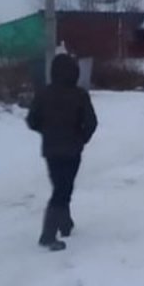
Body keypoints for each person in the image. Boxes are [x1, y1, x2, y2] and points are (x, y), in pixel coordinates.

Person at [26, 52, 97, 251]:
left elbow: (32, 121)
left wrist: (46, 131)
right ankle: (48, 236)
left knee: (61, 187)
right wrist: (81, 139)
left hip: (50, 150)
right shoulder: (79, 95)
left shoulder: (43, 94)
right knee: (62, 190)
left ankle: (65, 224)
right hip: (72, 150)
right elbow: (91, 123)